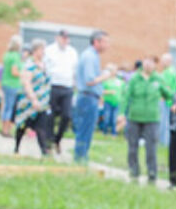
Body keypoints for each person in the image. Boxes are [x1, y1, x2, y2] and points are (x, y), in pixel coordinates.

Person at [120, 55, 164, 184]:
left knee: (151, 148)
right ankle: (134, 172)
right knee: (132, 146)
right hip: (135, 116)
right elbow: (126, 96)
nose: (149, 64)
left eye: (151, 62)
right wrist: (122, 113)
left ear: (155, 65)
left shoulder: (158, 79)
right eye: (146, 62)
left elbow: (169, 94)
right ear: (143, 63)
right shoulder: (134, 78)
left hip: (152, 118)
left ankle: (152, 174)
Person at [73, 30, 111, 164]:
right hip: (87, 98)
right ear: (96, 42)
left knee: (87, 129)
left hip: (89, 97)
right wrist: (105, 76)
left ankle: (81, 157)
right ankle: (80, 159)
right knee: (85, 129)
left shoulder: (93, 56)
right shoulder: (90, 56)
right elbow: (90, 80)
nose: (107, 45)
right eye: (105, 42)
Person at [13, 38, 52, 157]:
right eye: (42, 49)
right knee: (22, 125)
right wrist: (33, 98)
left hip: (43, 101)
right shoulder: (29, 65)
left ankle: (44, 152)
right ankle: (16, 148)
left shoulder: (45, 65)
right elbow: (26, 83)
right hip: (28, 102)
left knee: (41, 126)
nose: (44, 52)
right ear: (35, 50)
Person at [45, 29, 78, 154]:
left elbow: (74, 70)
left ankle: (57, 139)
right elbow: (46, 68)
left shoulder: (72, 52)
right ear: (57, 38)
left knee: (67, 115)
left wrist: (75, 85)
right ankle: (49, 141)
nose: (65, 40)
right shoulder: (49, 50)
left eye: (67, 38)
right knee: (50, 116)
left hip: (67, 86)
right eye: (63, 38)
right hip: (53, 85)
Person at [0, 34, 22, 139]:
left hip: (5, 82)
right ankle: (6, 131)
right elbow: (14, 72)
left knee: (6, 107)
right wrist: (23, 74)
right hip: (13, 84)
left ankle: (3, 128)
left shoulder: (7, 54)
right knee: (10, 108)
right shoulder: (15, 56)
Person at [155, 53, 176, 148]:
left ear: (168, 62)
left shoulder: (168, 73)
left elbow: (166, 87)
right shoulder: (171, 71)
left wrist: (162, 97)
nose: (161, 63)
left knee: (163, 122)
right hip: (169, 100)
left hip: (166, 100)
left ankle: (163, 142)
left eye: (162, 61)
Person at [100, 64, 124, 137]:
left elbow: (123, 92)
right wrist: (109, 92)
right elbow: (101, 91)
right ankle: (105, 133)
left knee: (114, 119)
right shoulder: (106, 81)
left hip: (117, 102)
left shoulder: (120, 81)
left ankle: (114, 133)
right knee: (107, 118)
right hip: (108, 102)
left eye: (115, 70)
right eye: (113, 70)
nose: (114, 72)